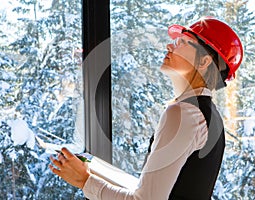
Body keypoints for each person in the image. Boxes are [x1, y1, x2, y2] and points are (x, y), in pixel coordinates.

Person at [49, 16, 243, 200]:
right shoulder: (208, 115)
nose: (170, 45)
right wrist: (94, 174)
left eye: (183, 42)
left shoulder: (184, 113)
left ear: (204, 61)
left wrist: (84, 181)